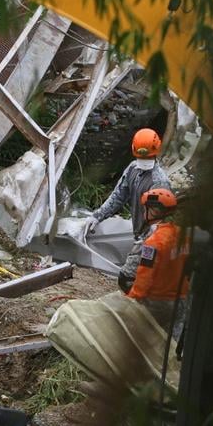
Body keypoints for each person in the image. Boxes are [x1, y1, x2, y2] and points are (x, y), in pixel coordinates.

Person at [86, 128, 172, 283]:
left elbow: (157, 222)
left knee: (130, 279)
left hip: (150, 239)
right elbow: (118, 196)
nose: (144, 160)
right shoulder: (133, 169)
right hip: (139, 234)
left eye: (148, 156)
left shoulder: (159, 182)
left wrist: (144, 243)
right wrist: (97, 216)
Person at [125, 188, 189, 335]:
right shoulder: (184, 236)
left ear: (153, 211)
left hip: (157, 301)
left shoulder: (154, 242)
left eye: (145, 209)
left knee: (140, 336)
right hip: (181, 300)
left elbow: (145, 275)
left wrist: (132, 299)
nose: (143, 213)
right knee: (170, 341)